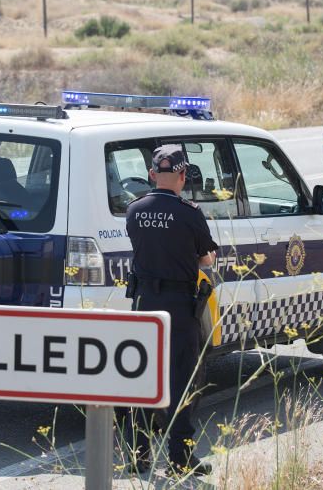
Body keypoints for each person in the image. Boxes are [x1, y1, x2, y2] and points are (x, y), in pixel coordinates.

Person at [123, 144, 217, 477]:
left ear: (151, 175)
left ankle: (138, 455)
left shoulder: (134, 210)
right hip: (179, 307)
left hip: (144, 303)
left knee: (141, 376)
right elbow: (206, 259)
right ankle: (179, 459)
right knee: (182, 380)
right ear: (182, 175)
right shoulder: (189, 212)